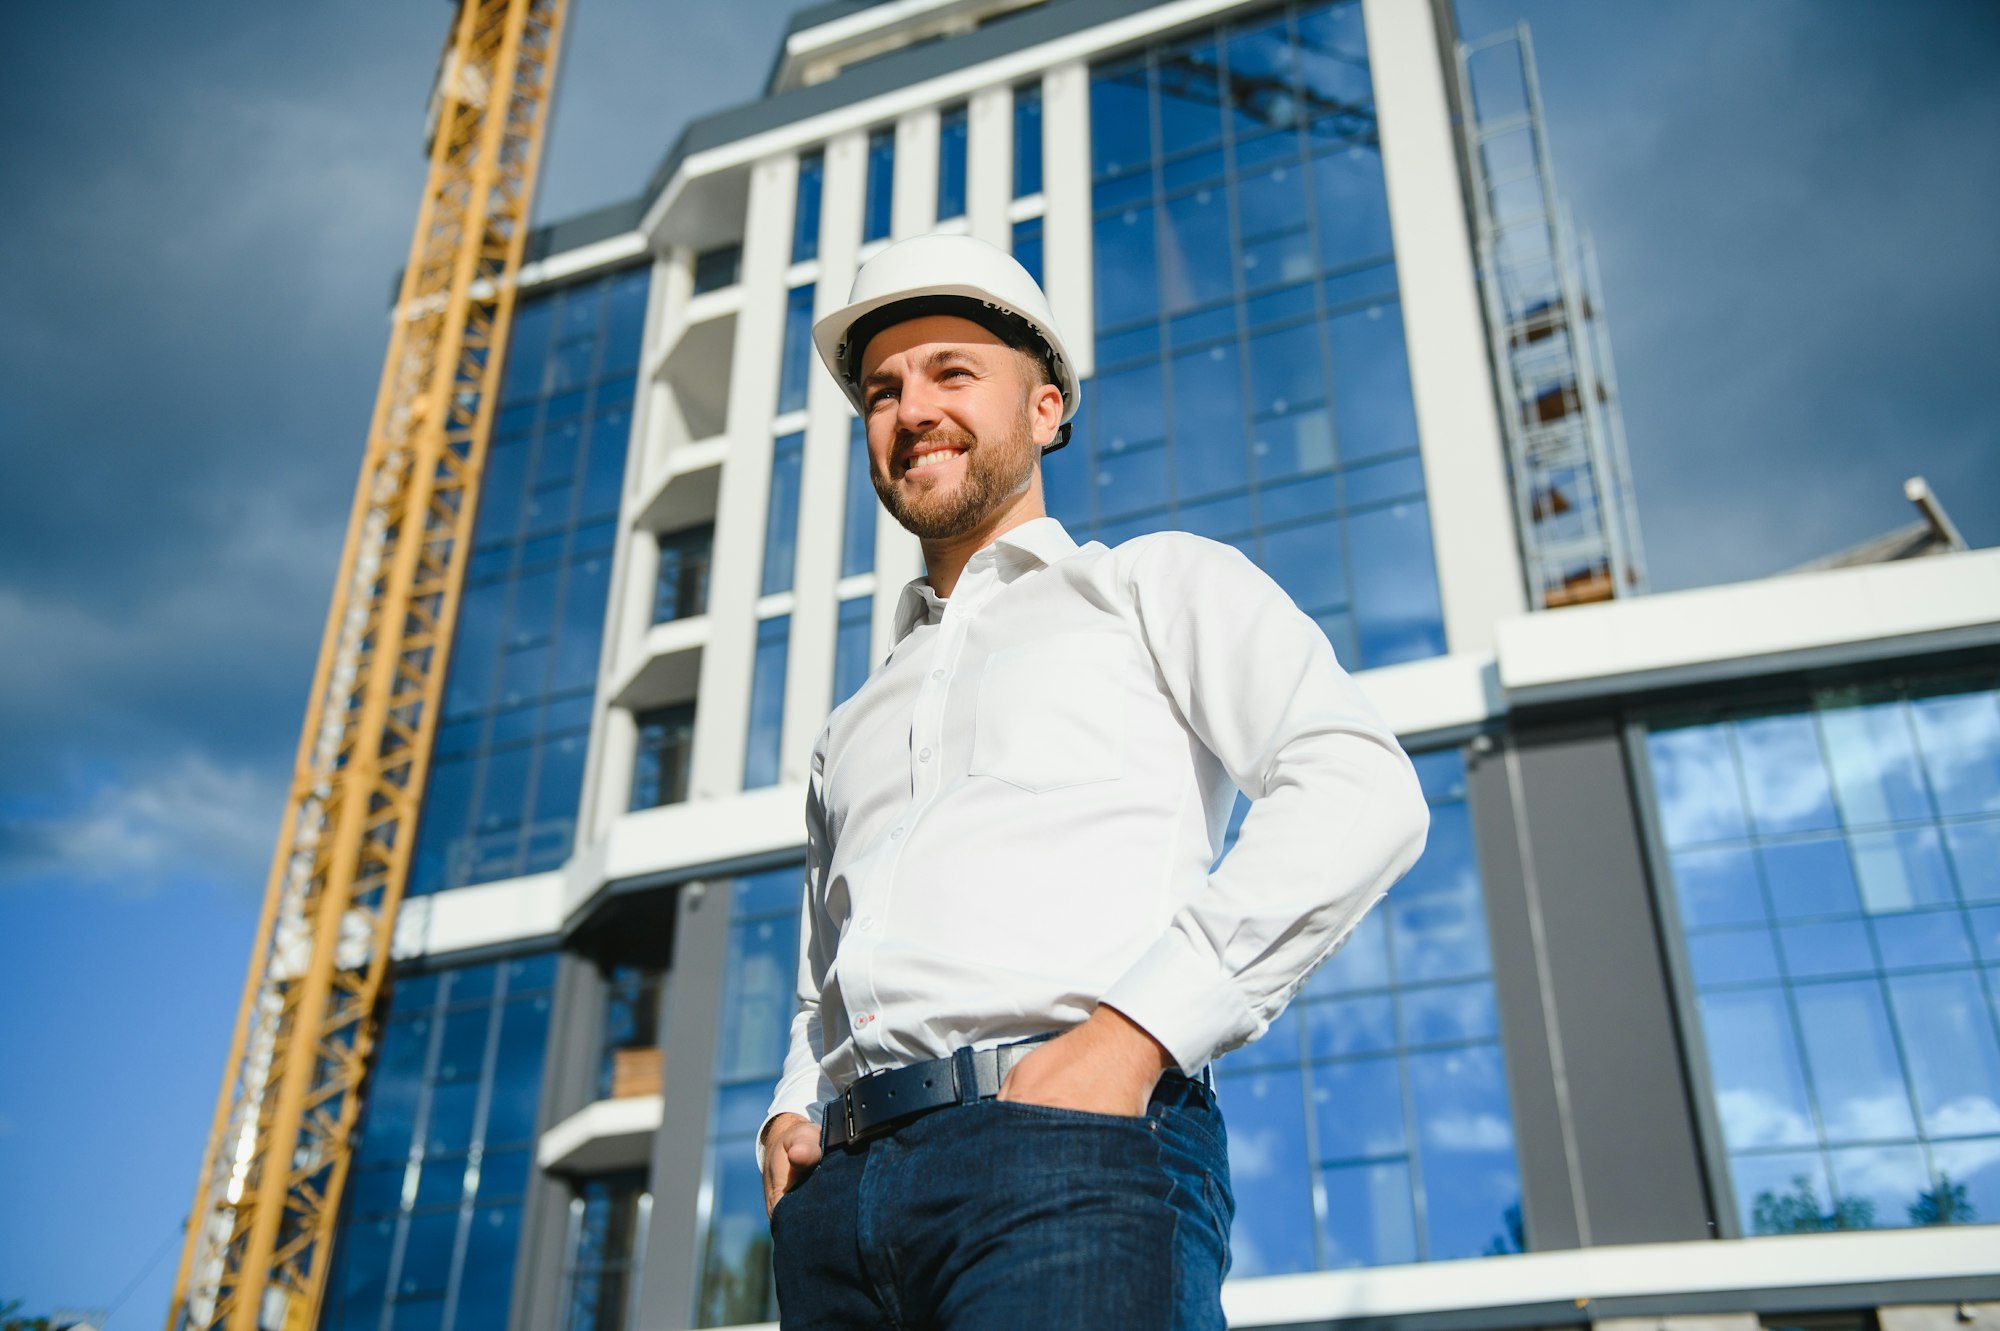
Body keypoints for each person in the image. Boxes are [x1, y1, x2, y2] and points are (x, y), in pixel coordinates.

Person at [757, 233, 1429, 1329]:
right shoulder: (851, 721)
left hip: (1065, 1156)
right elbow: (819, 975)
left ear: (1045, 410)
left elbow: (1358, 788)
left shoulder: (1149, 585)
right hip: (835, 1212)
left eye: (952, 373)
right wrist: (793, 1110)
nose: (910, 407)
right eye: (881, 390)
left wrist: (1131, 1037)